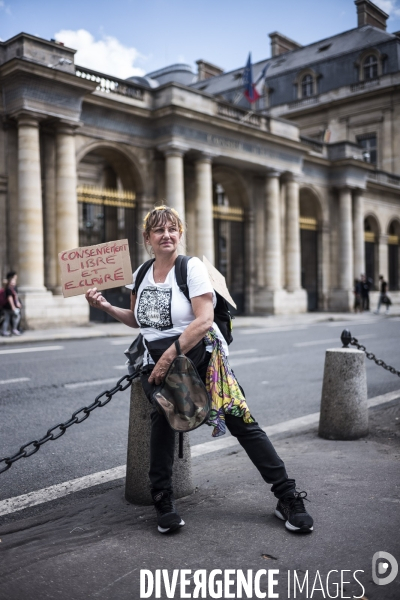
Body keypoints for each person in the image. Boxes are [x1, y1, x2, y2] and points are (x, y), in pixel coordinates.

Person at [85, 206, 313, 535]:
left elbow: (204, 319)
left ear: (180, 233)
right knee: (162, 419)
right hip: (156, 364)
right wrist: (105, 306)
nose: (166, 235)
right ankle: (163, 500)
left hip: (200, 361)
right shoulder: (141, 273)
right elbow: (138, 320)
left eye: (172, 229)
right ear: (147, 237)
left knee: (243, 422)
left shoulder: (190, 268)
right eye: (159, 230)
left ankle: (287, 496)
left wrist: (170, 356)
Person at [1, 271, 22, 337]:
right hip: (8, 307)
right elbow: (10, 299)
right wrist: (13, 307)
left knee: (9, 319)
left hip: (9, 307)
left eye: (14, 281)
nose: (14, 282)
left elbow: (16, 297)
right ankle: (12, 329)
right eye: (13, 281)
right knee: (13, 317)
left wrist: (17, 303)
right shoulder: (9, 289)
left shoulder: (13, 289)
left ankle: (10, 330)